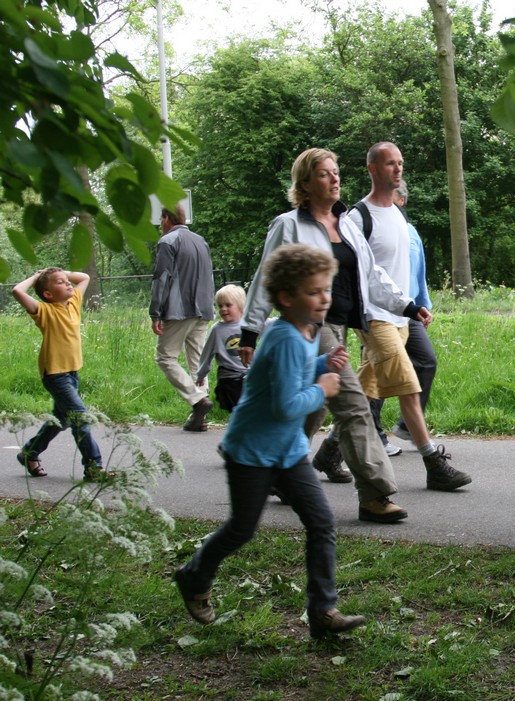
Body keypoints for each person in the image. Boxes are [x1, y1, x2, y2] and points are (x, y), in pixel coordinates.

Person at [173, 244, 365, 639]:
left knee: (321, 521)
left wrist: (322, 364)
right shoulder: (284, 337)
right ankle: (193, 577)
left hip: (288, 451)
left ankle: (323, 612)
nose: (324, 298)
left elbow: (295, 373)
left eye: (326, 290)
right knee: (242, 529)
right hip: (252, 451)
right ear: (286, 297)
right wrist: (324, 388)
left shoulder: (305, 330)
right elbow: (285, 405)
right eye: (313, 292)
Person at [239, 147, 427, 524]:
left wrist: (406, 305)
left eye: (336, 171)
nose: (334, 178)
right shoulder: (289, 225)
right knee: (353, 402)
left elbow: (372, 276)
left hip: (341, 325)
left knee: (316, 404)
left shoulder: (348, 224)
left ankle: (278, 469)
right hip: (307, 326)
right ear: (305, 183)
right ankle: (375, 494)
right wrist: (249, 329)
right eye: (324, 173)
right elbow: (265, 276)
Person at [345, 141, 470, 491]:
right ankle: (434, 464)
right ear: (372, 168)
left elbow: (407, 270)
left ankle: (327, 453)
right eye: (390, 163)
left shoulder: (399, 216)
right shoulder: (357, 218)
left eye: (400, 162)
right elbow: (368, 275)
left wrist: (415, 305)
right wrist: (407, 306)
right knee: (408, 385)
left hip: (402, 316)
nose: (398, 168)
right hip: (375, 317)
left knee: (364, 392)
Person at [12, 268, 109, 481]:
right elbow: (17, 291)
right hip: (55, 375)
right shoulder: (44, 310)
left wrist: (56, 272)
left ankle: (29, 453)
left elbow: (84, 277)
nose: (67, 283)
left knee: (61, 420)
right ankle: (93, 466)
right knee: (80, 417)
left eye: (67, 281)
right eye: (60, 282)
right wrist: (38, 277)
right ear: (48, 294)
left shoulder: (73, 302)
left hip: (72, 372)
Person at [368, 180, 439, 456]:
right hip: (380, 312)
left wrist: (423, 305)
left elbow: (418, 271)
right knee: (378, 373)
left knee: (426, 361)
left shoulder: (410, 231)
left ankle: (408, 426)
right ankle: (373, 436)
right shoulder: (370, 225)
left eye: (392, 195)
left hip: (409, 311)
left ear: (402, 200)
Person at [149, 205, 216, 432]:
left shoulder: (168, 241)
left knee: (165, 357)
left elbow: (162, 278)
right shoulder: (201, 241)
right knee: (197, 361)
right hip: (204, 308)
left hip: (179, 309)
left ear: (167, 218)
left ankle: (197, 400)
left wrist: (155, 312)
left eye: (161, 219)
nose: (160, 224)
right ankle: (200, 417)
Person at [196, 285, 249, 412]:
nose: (223, 309)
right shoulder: (217, 330)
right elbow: (207, 354)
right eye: (220, 306)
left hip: (250, 375)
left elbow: (268, 324)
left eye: (228, 305)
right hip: (229, 378)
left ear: (240, 306)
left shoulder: (249, 325)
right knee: (237, 408)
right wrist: (201, 374)